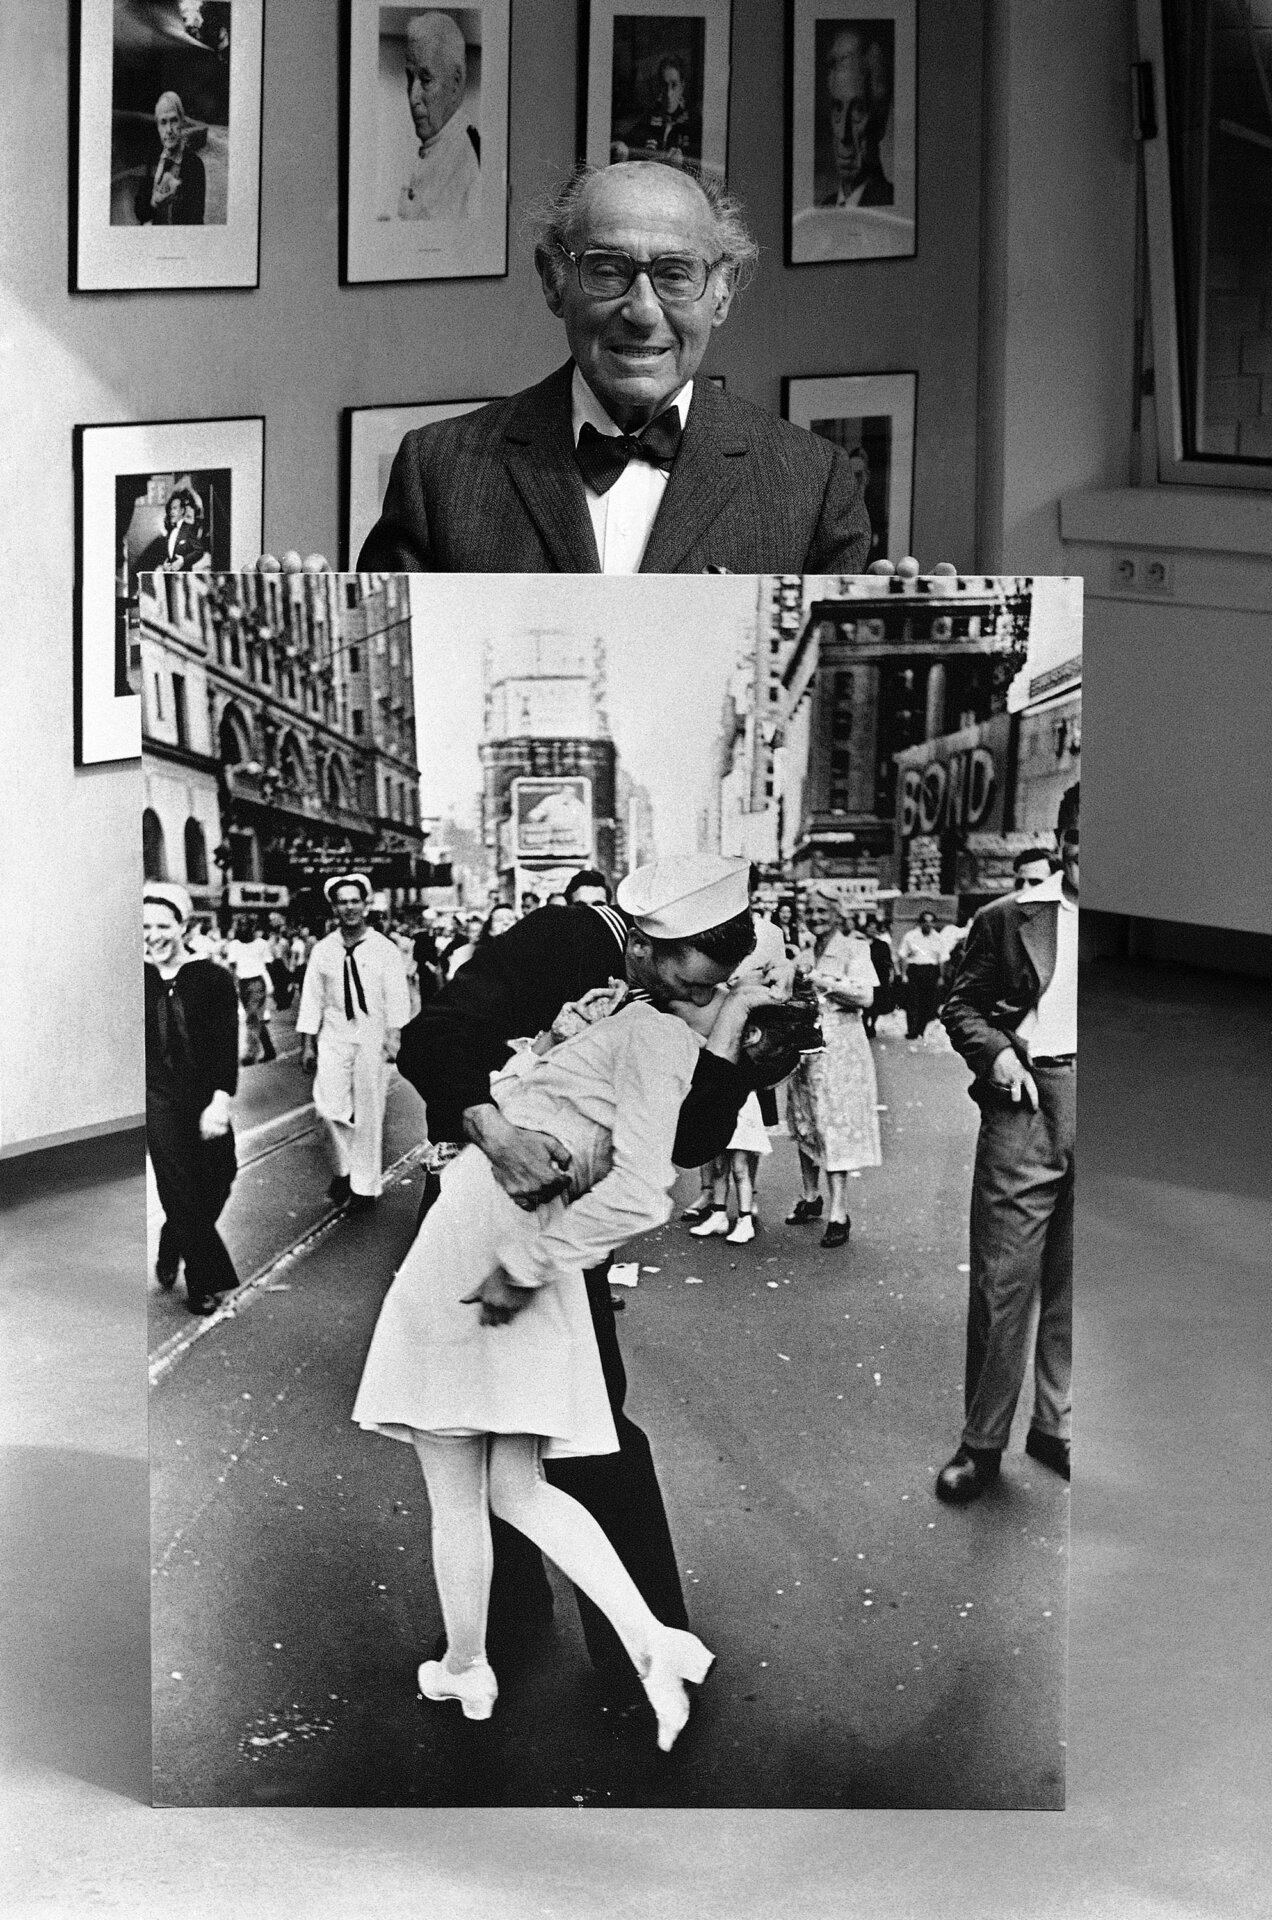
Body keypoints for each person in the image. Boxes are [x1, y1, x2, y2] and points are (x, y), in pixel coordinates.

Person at [394, 854, 775, 1684]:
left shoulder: (729, 997)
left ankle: (644, 1645)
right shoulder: (564, 941)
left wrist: (732, 1062)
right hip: (477, 1194)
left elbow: (689, 1142)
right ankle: (500, 1617)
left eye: (716, 988)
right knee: (470, 1416)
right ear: (642, 944)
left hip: (567, 1226)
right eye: (687, 983)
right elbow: (433, 1037)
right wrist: (499, 1137)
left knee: (588, 1419)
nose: (696, 1001)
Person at [356, 162, 872, 575]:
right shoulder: (440, 471)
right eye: (607, 270)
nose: (643, 312)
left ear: (722, 293)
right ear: (554, 282)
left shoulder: (811, 483)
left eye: (675, 274)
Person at [933, 786, 1079, 1504]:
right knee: (1004, 1281)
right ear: (1065, 838)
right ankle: (981, 1443)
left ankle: (1057, 1426)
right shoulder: (1010, 917)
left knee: (1084, 1282)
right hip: (1028, 1098)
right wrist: (993, 1052)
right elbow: (958, 1002)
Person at [143, 883, 240, 1318]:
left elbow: (225, 1045)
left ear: (184, 926)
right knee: (178, 1185)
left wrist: (219, 1102)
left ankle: (174, 1236)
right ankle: (204, 1281)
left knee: (220, 1175)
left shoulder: (213, 978)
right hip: (154, 1098)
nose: (153, 935)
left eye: (163, 925)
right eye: (144, 926)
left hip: (202, 1094)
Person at [684, 872, 791, 1244]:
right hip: (707, 1030)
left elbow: (778, 985)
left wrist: (774, 977)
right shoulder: (703, 928)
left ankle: (747, 1202)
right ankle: (712, 1199)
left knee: (745, 1135)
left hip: (748, 1040)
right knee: (706, 1124)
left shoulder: (770, 934)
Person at [296, 874, 411, 1213]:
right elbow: (312, 999)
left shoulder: (384, 949)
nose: (349, 907)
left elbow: (397, 997)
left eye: (354, 901)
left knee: (369, 1110)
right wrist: (307, 1044)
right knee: (327, 1108)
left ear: (365, 904)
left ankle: (364, 1187)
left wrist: (394, 1038)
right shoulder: (323, 950)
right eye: (342, 902)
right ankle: (343, 1170)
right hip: (334, 1033)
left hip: (372, 1035)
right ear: (334, 907)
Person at [785, 891, 881, 1249]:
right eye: (809, 911)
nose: (815, 916)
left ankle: (839, 1212)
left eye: (822, 910)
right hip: (806, 1049)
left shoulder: (855, 950)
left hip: (841, 1050)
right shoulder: (804, 953)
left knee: (834, 1124)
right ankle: (811, 1196)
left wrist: (822, 981)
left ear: (838, 915)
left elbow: (866, 997)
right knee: (804, 1120)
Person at [397, 11, 481, 223]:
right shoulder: (438, 146)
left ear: (455, 84)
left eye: (426, 80)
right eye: (410, 78)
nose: (413, 96)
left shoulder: (470, 157)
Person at [817, 28, 894, 209]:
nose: (844, 134)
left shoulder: (889, 205)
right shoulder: (823, 208)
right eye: (837, 108)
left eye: (858, 110)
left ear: (880, 122)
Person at [612, 55, 702, 170]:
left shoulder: (693, 121)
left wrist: (683, 162)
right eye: (665, 86)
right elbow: (630, 142)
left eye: (674, 85)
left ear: (682, 86)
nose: (669, 93)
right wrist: (622, 147)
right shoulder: (651, 116)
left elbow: (703, 163)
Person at [134, 91, 206, 226]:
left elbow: (196, 222)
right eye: (163, 122)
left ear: (182, 123)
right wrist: (154, 201)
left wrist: (179, 196)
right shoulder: (152, 159)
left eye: (174, 120)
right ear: (158, 127)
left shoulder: (194, 165)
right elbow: (140, 212)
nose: (169, 129)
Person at [224, 918, 277, 1064]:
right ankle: (269, 1049)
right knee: (254, 1018)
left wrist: (272, 986)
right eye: (240, 926)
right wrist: (232, 985)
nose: (243, 928)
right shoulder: (234, 945)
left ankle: (251, 1053)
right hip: (243, 983)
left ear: (253, 928)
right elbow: (232, 967)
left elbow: (270, 965)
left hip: (257, 983)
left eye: (246, 925)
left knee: (252, 1017)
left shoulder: (261, 944)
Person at [898, 909, 945, 1040]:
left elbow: (942, 959)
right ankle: (912, 1030)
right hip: (914, 970)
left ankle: (921, 1029)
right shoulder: (911, 936)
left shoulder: (938, 938)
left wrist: (941, 976)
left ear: (934, 924)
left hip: (931, 971)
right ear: (920, 923)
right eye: (925, 922)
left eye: (931, 922)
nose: (928, 925)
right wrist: (903, 974)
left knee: (928, 1002)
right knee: (913, 1001)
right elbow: (902, 955)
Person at [862, 913, 895, 1039]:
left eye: (874, 927)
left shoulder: (882, 944)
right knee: (865, 1003)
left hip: (878, 978)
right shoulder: (860, 944)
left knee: (876, 1003)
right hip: (864, 977)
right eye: (870, 927)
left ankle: (872, 1024)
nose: (872, 929)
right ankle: (865, 1024)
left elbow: (888, 961)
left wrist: (889, 976)